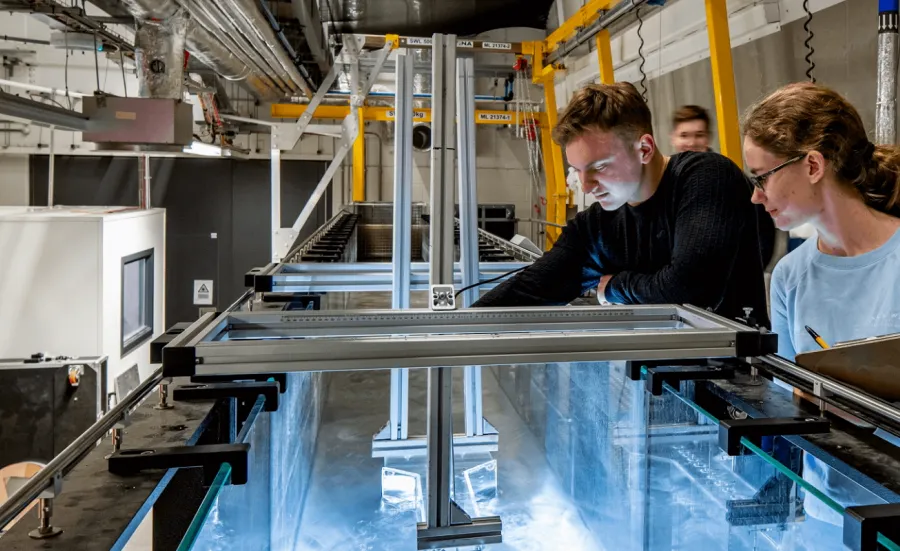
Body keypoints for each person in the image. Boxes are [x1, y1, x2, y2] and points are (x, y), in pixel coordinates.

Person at [474, 82, 769, 327]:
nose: (586, 186)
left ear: (644, 149)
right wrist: (451, 329)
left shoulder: (705, 177)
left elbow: (691, 289)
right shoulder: (597, 224)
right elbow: (533, 287)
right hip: (655, 377)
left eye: (599, 167)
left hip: (734, 380)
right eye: (578, 170)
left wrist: (616, 287)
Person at [743, 82, 900, 360]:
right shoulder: (789, 277)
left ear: (813, 166)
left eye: (762, 177)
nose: (756, 196)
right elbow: (790, 394)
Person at [670, 104, 776, 268]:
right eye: (684, 135)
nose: (691, 142)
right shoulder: (668, 183)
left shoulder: (729, 179)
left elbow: (762, 228)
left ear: (708, 138)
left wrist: (751, 273)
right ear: (673, 138)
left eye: (699, 135)